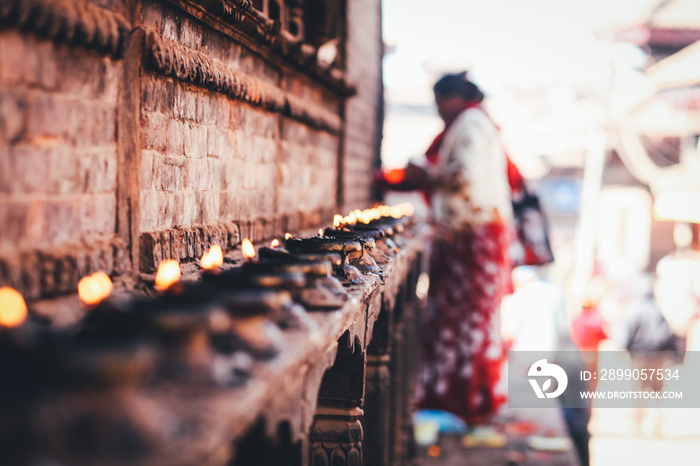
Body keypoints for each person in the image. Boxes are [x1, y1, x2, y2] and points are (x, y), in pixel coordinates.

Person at [380, 72, 514, 425]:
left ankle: (467, 401)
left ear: (455, 98)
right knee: (449, 317)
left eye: (441, 100)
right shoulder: (470, 123)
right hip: (464, 233)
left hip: (474, 235)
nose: (438, 108)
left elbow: (464, 175)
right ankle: (451, 399)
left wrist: (425, 175)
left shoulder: (470, 123)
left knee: (468, 320)